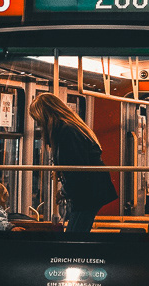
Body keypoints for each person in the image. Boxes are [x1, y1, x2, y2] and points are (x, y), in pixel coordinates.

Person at [29, 93, 118, 238]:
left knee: (75, 234)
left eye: (39, 120)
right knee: (76, 231)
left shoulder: (67, 132)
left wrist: (64, 191)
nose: (39, 125)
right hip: (89, 189)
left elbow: (77, 170)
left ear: (47, 116)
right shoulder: (70, 128)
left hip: (89, 191)